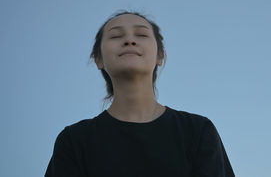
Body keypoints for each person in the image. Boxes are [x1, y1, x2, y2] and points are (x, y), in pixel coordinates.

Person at [45, 10, 235, 177]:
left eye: (142, 34)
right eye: (116, 36)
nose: (130, 40)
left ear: (160, 55)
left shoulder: (198, 131)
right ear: (98, 59)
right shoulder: (74, 140)